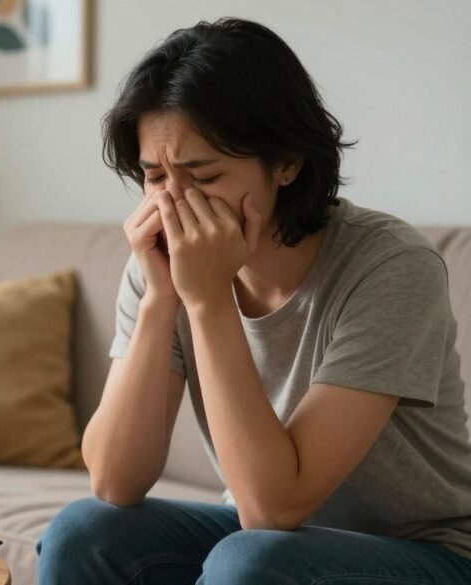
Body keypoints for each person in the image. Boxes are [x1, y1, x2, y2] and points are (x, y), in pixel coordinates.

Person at [36, 16, 471, 585]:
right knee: (83, 532)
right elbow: (116, 481)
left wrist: (208, 299)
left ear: (287, 162)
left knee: (251, 560)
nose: (175, 205)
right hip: (269, 538)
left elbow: (272, 508)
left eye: (204, 176)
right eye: (153, 178)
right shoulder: (160, 262)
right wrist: (160, 300)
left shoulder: (390, 266)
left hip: (425, 552)